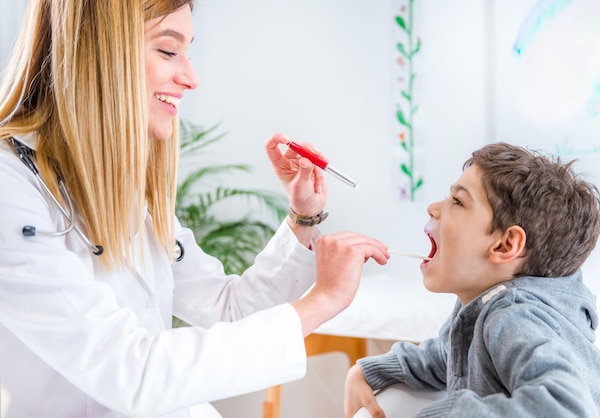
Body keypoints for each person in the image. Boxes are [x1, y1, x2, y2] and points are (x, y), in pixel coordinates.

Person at [0, 1, 390, 417]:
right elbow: (130, 372)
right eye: (168, 51)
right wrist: (323, 301)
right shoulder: (12, 188)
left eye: (188, 52)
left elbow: (228, 309)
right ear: (100, 54)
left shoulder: (125, 189)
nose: (191, 77)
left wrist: (302, 218)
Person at [344, 142, 600, 417]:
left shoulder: (514, 317)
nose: (433, 207)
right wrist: (372, 370)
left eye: (458, 201)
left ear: (504, 246)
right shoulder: (488, 313)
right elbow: (453, 355)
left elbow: (566, 409)